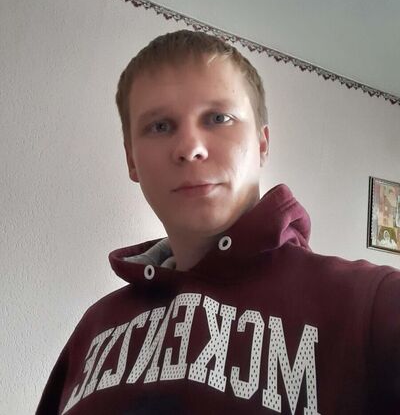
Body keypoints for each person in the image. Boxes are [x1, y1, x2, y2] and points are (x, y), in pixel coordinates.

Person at [37, 30, 400, 414]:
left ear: (262, 144)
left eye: (218, 118)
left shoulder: (370, 304)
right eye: (160, 126)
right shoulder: (93, 329)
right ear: (131, 160)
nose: (190, 148)